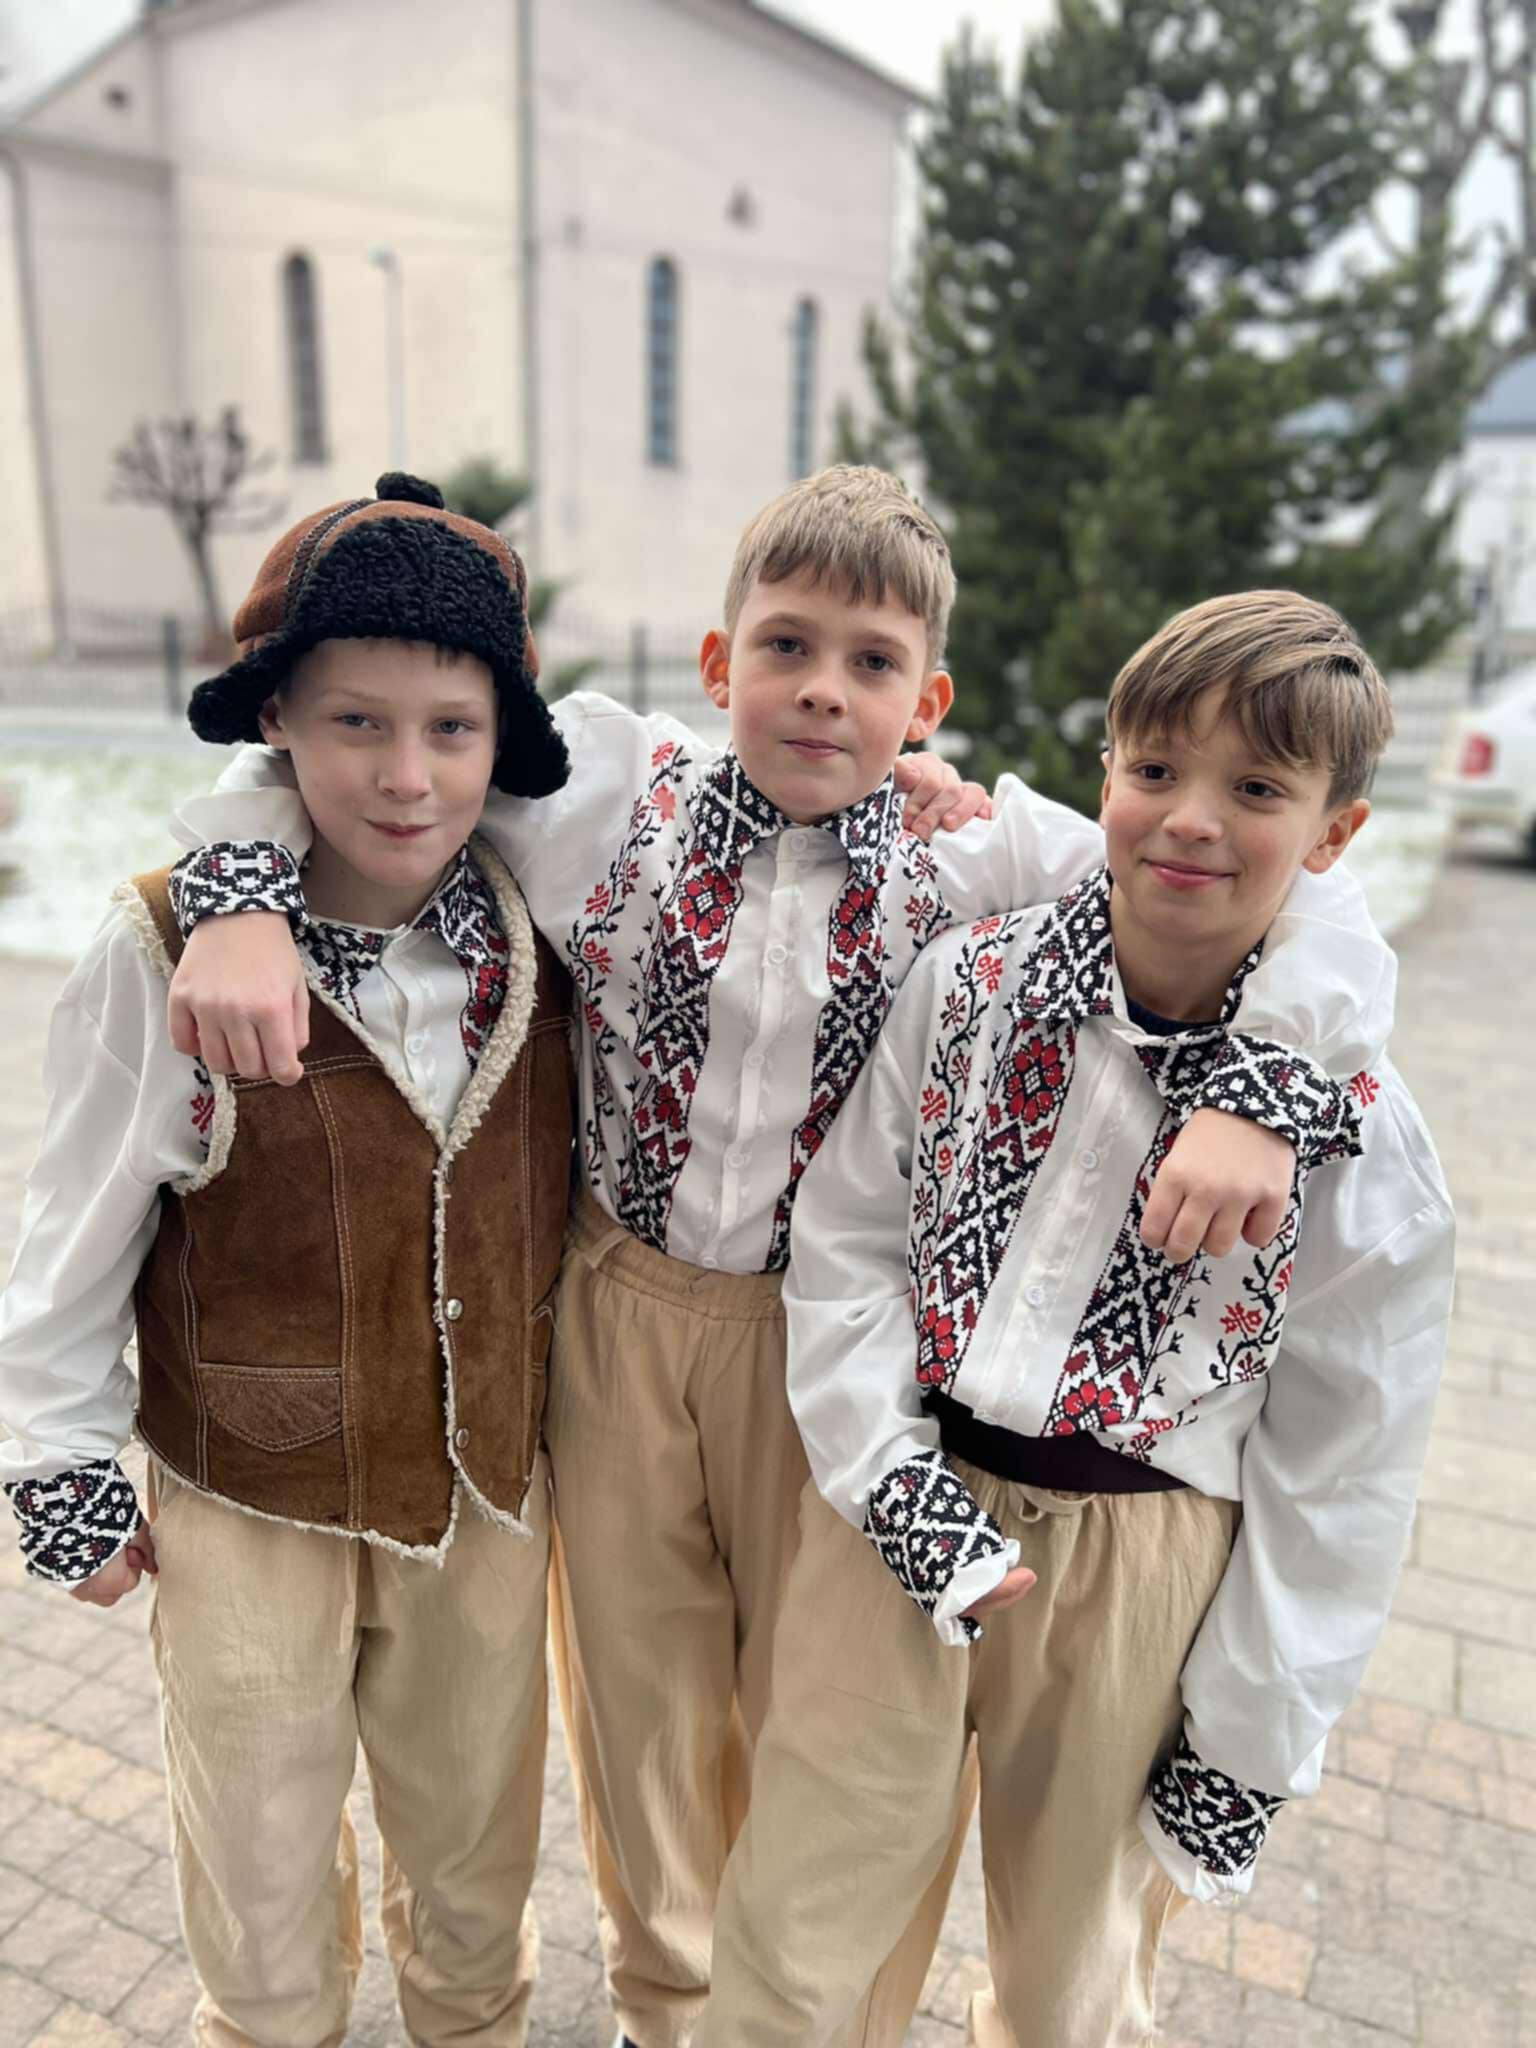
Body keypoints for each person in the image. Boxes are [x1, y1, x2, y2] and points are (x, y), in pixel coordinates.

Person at [159, 471, 1396, 2048]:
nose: (823, 689)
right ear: (717, 661)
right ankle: (665, 2001)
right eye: (788, 646)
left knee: (807, 1709)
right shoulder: (604, 793)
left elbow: (1288, 895)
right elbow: (366, 755)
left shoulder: (986, 859)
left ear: (927, 698)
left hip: (831, 1343)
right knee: (640, 1696)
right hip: (616, 1309)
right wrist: (234, 902)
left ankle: (772, 1990)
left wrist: (1267, 1084)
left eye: (872, 663)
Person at [691, 590, 1455, 2048]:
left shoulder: (1357, 1133)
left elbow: (1350, 1455)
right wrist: (883, 1474)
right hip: (899, 1513)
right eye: (1155, 770)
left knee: (1071, 1982)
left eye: (1259, 791)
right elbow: (850, 1243)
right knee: (796, 1936)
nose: (1191, 821)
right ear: (1106, 770)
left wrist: (1252, 1732)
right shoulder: (973, 986)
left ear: (1335, 834)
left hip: (1139, 1568)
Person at [0, 473, 576, 2048]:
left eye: (450, 729)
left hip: (481, 1501)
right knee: (256, 1880)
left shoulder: (553, 924)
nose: (406, 774)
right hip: (246, 1497)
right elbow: (70, 1237)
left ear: (501, 742)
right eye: (354, 724)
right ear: (278, 725)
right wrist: (59, 1465)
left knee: (477, 1862)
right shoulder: (159, 950)